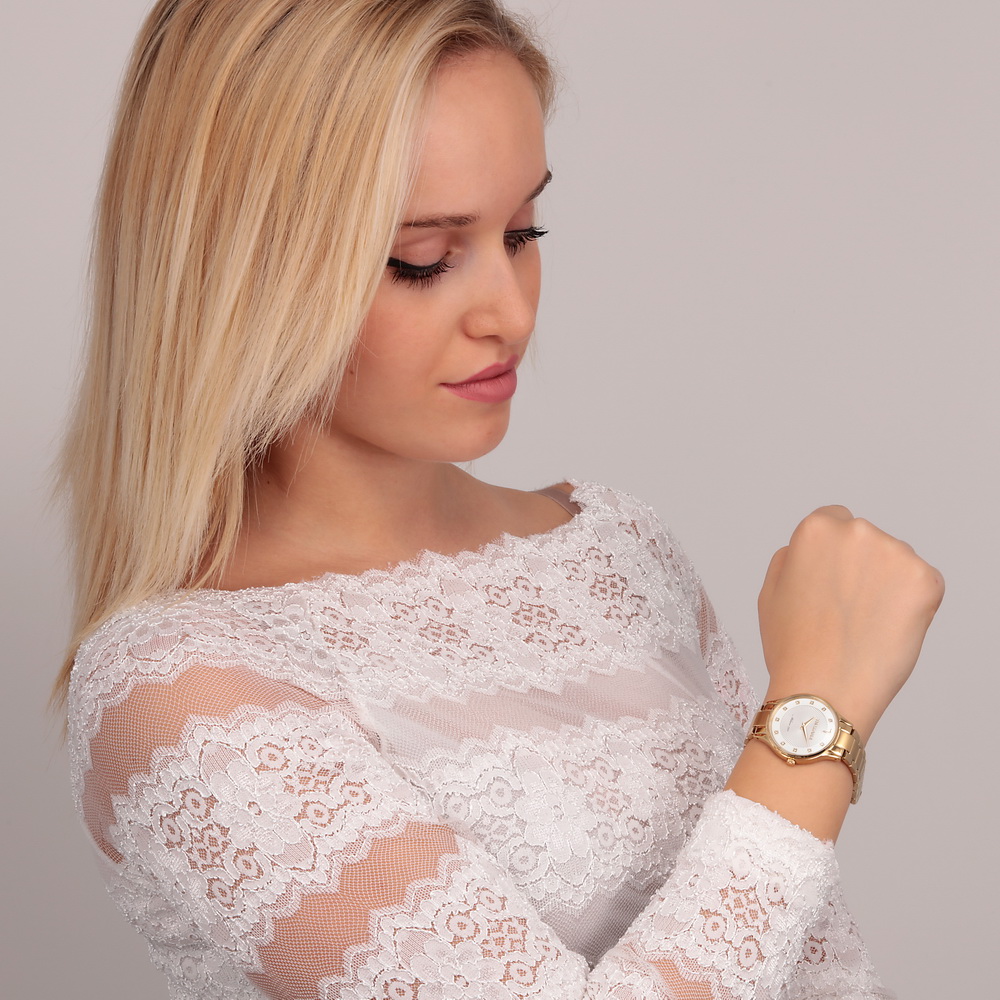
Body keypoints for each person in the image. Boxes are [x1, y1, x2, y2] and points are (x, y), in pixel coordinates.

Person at [57, 1, 943, 997]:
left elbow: (821, 971)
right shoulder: (179, 688)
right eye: (424, 258)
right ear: (241, 265)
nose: (512, 313)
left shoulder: (618, 550)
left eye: (523, 231)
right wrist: (814, 717)